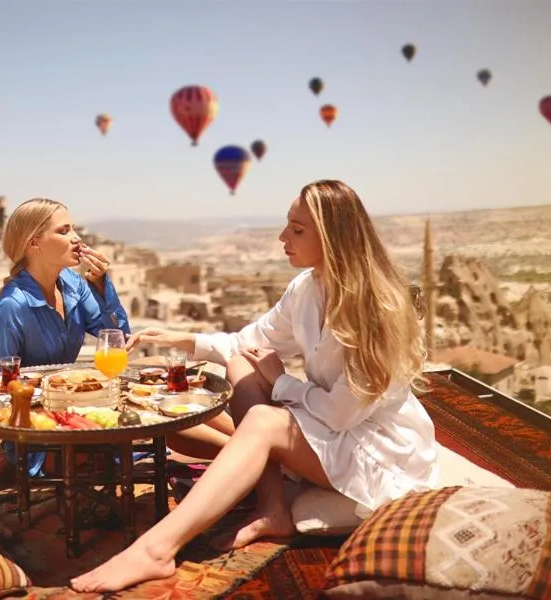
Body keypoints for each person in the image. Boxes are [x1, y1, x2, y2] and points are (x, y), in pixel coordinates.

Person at [71, 179, 438, 593]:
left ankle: (156, 549)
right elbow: (249, 343)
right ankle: (272, 507)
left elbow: (340, 412)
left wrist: (281, 381)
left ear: (334, 238)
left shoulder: (377, 307)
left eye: (297, 230)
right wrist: (181, 341)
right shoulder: (307, 288)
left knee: (263, 420)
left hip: (377, 447)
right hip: (330, 427)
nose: (283, 237)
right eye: (287, 225)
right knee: (239, 366)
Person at [0, 198, 130, 506]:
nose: (76, 238)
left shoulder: (73, 284)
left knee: (160, 413)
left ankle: (238, 453)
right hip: (38, 433)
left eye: (73, 228)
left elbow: (118, 337)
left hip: (77, 410)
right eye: (64, 231)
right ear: (34, 244)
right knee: (132, 438)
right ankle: (239, 457)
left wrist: (103, 286)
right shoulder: (13, 307)